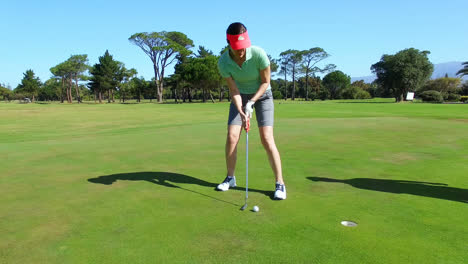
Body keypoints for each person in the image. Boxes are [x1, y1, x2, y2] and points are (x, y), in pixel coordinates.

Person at [216, 22, 286, 200]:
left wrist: (252, 102)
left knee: (266, 138)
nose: (241, 52)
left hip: (262, 96)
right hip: (240, 97)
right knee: (232, 136)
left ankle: (280, 183)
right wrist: (241, 109)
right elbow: (234, 90)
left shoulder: (259, 54)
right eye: (237, 48)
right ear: (228, 44)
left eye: (243, 48)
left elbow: (265, 82)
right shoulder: (223, 62)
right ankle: (230, 178)